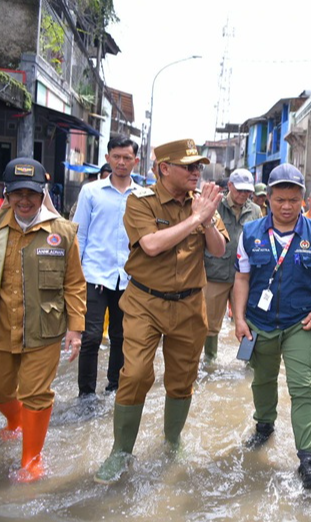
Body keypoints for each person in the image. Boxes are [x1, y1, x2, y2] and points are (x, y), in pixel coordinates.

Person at [94, 138, 229, 484]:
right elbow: (151, 245)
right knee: (136, 373)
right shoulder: (141, 201)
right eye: (189, 166)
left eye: (198, 166)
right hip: (145, 302)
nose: (196, 172)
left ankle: (172, 441)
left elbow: (218, 250)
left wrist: (206, 220)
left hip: (190, 304)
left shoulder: (201, 203)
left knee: (183, 379)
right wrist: (195, 218)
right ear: (164, 168)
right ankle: (121, 451)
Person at [233, 163, 311, 491]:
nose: (286, 206)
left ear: (302, 199)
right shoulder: (251, 233)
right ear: (268, 199)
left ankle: (307, 459)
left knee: (304, 388)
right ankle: (264, 425)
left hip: (301, 323)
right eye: (280, 199)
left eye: (293, 200)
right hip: (260, 322)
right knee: (263, 380)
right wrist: (239, 319)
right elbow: (242, 277)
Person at [0, 158, 86, 482]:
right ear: (7, 194)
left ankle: (32, 460)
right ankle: (15, 422)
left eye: (31, 193)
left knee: (36, 393)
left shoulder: (61, 232)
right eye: (17, 193)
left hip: (44, 328)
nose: (24, 200)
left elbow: (74, 283)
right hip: (2, 326)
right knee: (2, 388)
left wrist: (75, 329)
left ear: (42, 194)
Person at [73, 136, 141, 398]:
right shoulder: (91, 192)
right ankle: (86, 394)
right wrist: (76, 275)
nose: (121, 162)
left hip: (128, 277)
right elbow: (79, 235)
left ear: (135, 161)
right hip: (94, 275)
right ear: (107, 158)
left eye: (127, 157)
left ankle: (115, 387)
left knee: (121, 336)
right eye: (116, 157)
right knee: (90, 337)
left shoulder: (142, 196)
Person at [203, 169, 262, 362]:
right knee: (210, 322)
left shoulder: (255, 211)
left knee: (247, 320)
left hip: (244, 276)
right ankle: (210, 359)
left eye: (247, 191)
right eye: (239, 190)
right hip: (215, 273)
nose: (243, 194)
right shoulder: (215, 206)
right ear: (229, 186)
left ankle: (249, 362)